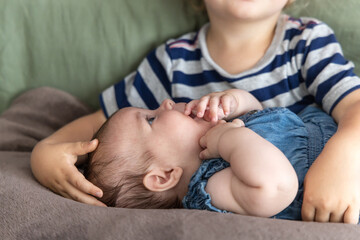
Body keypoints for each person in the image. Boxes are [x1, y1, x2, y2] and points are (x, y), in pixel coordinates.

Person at [30, 0, 360, 223]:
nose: (165, 106)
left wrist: (344, 155)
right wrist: (44, 152)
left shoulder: (306, 41)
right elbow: (104, 128)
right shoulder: (173, 62)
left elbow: (353, 106)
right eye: (153, 115)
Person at [84, 89, 339, 221]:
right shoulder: (211, 188)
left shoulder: (218, 134)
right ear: (163, 177)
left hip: (337, 138)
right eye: (151, 119)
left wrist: (233, 101)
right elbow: (277, 186)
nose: (165, 103)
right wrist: (229, 139)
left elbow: (262, 114)